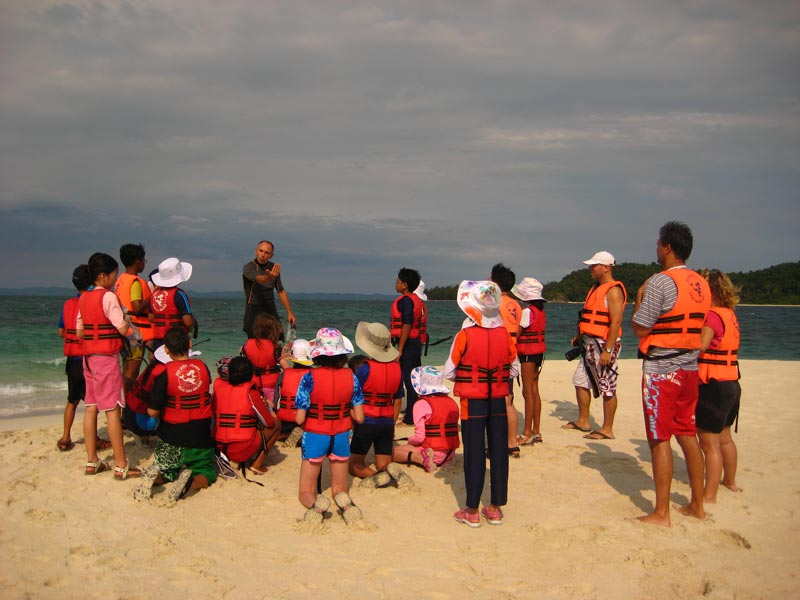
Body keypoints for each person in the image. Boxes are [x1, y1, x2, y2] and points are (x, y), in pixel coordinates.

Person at [631, 221, 711, 526]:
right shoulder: (701, 283)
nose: (656, 248)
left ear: (667, 247)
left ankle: (661, 512)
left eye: (658, 243)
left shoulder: (660, 283)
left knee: (659, 438)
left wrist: (639, 297)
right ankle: (697, 505)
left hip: (662, 370)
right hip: (689, 368)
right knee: (687, 433)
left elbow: (641, 326)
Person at [444, 281, 518, 528]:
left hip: (472, 402)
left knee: (474, 453)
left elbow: (449, 371)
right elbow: (514, 368)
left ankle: (472, 510)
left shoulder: (464, 335)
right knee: (498, 451)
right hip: (498, 399)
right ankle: (495, 508)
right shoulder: (505, 335)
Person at [76, 253, 143, 479]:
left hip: (88, 358)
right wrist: (133, 331)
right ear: (102, 276)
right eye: (113, 276)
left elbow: (79, 331)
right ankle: (121, 464)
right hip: (106, 358)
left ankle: (92, 461)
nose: (115, 281)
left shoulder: (83, 297)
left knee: (91, 407)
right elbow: (122, 328)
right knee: (113, 410)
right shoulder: (108, 297)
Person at [136, 327, 217, 502]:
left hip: (172, 434)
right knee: (205, 471)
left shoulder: (164, 373)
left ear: (166, 350)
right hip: (200, 433)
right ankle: (193, 482)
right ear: (190, 344)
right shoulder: (203, 367)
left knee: (167, 468)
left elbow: (152, 411)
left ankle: (160, 476)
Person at [294, 328, 365, 525]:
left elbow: (300, 418)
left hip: (316, 434)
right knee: (340, 488)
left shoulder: (308, 378)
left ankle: (317, 504)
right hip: (341, 434)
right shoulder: (351, 377)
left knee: (305, 491)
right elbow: (359, 417)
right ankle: (346, 505)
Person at [562, 251, 627, 441]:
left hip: (604, 344)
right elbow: (588, 316)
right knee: (581, 381)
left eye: (594, 265)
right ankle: (584, 420)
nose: (590, 268)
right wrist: (579, 337)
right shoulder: (595, 288)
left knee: (607, 386)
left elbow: (615, 322)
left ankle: (607, 428)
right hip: (589, 342)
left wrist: (607, 350)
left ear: (605, 267)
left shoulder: (613, 291)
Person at [696, 269, 742, 503]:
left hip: (713, 385)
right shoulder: (729, 314)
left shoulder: (712, 316)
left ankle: (709, 494)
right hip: (731, 383)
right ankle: (730, 481)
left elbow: (702, 345)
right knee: (724, 438)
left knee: (708, 442)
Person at [349, 322, 405, 489]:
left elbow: (353, 395)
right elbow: (398, 400)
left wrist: (351, 417)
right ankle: (389, 470)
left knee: (354, 464)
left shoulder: (365, 369)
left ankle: (377, 475)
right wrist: (393, 422)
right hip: (387, 421)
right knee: (383, 462)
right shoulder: (397, 369)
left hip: (366, 421)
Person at [213, 356, 281, 476]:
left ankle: (232, 459)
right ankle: (257, 465)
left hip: (220, 446)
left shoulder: (219, 388)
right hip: (242, 448)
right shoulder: (250, 391)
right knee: (276, 424)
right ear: (250, 373)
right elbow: (268, 422)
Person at [392, 366, 460, 472]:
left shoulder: (421, 404)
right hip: (450, 452)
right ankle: (428, 457)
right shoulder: (451, 402)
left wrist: (410, 440)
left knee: (391, 452)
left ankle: (421, 459)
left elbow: (420, 437)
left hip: (434, 451)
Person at [55, 265, 92, 452]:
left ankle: (65, 436)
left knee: (72, 400)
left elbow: (61, 331)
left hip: (72, 360)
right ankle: (94, 439)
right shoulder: (90, 302)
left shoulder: (68, 304)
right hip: (87, 358)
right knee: (91, 404)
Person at [490, 263, 522, 457]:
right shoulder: (517, 305)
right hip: (512, 352)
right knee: (508, 399)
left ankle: (498, 443)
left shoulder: (494, 302)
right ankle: (513, 443)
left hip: (497, 353)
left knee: (496, 400)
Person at [511, 277, 547, 445]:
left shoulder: (527, 312)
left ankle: (526, 433)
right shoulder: (540, 311)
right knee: (534, 391)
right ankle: (537, 430)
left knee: (527, 392)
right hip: (538, 353)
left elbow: (517, 334)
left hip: (527, 354)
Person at [114, 243, 154, 392]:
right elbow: (136, 308)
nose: (144, 264)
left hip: (124, 330)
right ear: (138, 262)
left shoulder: (120, 280)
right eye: (144, 260)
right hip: (135, 334)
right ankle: (126, 407)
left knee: (126, 368)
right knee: (132, 371)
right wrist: (153, 295)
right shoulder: (135, 282)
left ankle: (124, 406)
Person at [390, 267, 425, 425]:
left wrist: (400, 349)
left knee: (409, 379)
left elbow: (407, 324)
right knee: (413, 378)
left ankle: (411, 416)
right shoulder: (414, 300)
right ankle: (414, 411)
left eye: (398, 281)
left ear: (404, 285)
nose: (395, 283)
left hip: (409, 343)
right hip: (414, 342)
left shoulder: (406, 301)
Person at [242, 240, 296, 338]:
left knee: (278, 336)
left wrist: (289, 312)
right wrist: (269, 277)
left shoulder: (273, 268)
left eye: (267, 253)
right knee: (254, 338)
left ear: (271, 255)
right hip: (254, 307)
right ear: (256, 251)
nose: (263, 255)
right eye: (261, 251)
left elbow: (280, 290)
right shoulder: (248, 268)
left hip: (270, 306)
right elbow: (260, 279)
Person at [149, 257, 195, 349]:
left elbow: (151, 318)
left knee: (161, 362)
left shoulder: (154, 294)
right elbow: (187, 322)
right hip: (177, 339)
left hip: (158, 338)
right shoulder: (179, 294)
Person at [275, 339, 314, 447]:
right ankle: (301, 433)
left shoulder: (284, 375)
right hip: (303, 419)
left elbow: (276, 399)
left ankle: (284, 434)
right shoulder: (312, 375)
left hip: (284, 419)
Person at [241, 313, 283, 400]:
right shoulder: (275, 347)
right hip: (271, 386)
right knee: (272, 411)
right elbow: (286, 368)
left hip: (253, 384)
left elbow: (241, 359)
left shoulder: (246, 345)